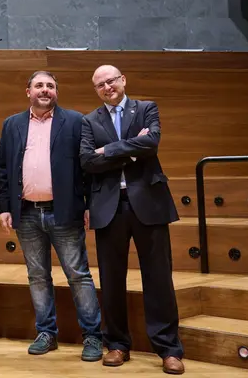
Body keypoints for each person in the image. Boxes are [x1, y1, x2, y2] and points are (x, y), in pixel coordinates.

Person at [80, 65, 184, 375]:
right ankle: (117, 344)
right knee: (112, 280)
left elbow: (151, 142)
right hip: (108, 207)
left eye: (110, 80)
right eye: (100, 84)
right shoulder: (89, 121)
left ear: (123, 80)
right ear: (96, 90)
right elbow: (87, 161)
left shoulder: (146, 108)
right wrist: (132, 151)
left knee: (159, 278)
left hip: (149, 203)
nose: (107, 87)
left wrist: (109, 150)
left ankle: (168, 349)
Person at [0, 71, 102, 361]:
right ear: (27, 91)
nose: (45, 90)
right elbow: (3, 170)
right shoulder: (13, 124)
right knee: (37, 276)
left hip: (65, 212)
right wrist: (4, 206)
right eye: (39, 85)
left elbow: (87, 168)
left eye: (50, 86)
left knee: (78, 275)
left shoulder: (76, 122)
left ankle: (92, 336)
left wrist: (89, 204)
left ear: (57, 91)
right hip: (26, 213)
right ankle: (46, 333)